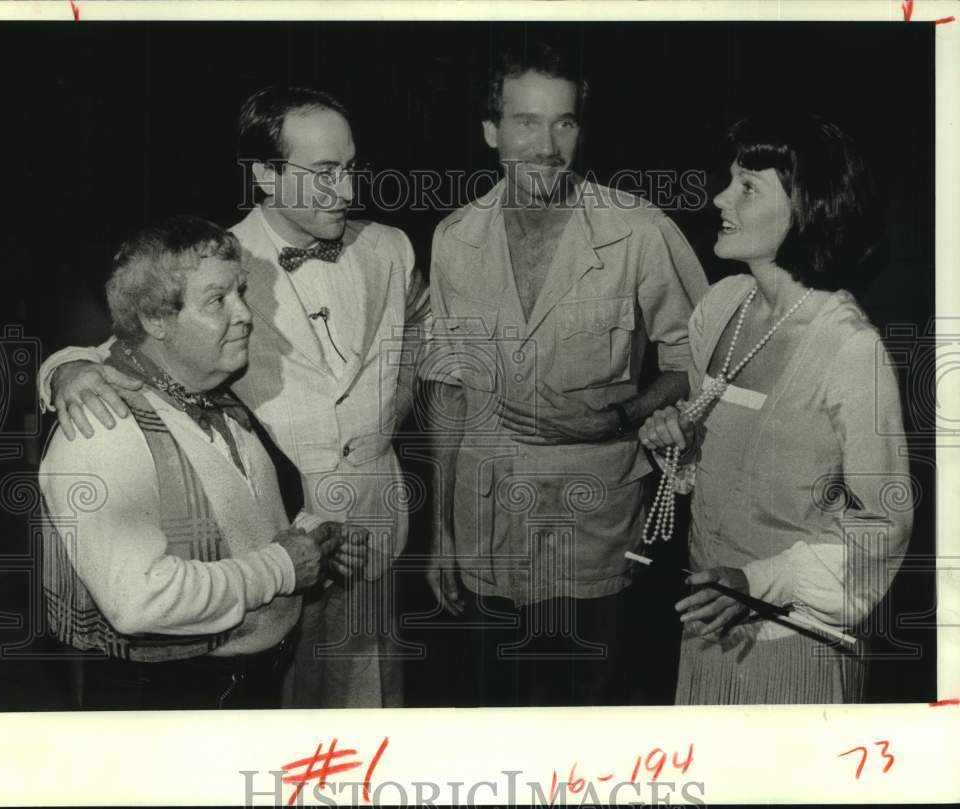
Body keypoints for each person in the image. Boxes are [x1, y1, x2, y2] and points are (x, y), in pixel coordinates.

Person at [37, 87, 428, 708]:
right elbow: (132, 342)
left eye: (351, 168)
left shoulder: (392, 249)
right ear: (266, 176)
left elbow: (419, 342)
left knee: (366, 713)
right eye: (325, 173)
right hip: (263, 546)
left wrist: (394, 403)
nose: (349, 192)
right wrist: (64, 373)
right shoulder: (212, 264)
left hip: (374, 525)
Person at [419, 39, 708, 706]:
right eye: (526, 122)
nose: (548, 145)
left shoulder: (638, 230)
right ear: (492, 131)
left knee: (592, 710)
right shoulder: (454, 238)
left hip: (595, 530)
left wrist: (619, 415)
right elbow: (446, 382)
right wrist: (438, 535)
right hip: (485, 526)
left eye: (565, 122)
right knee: (497, 706)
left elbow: (700, 361)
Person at [39, 216, 367, 710]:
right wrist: (281, 567)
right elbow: (138, 601)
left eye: (241, 292)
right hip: (168, 704)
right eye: (217, 300)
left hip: (248, 686)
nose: (245, 314)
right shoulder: (101, 427)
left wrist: (316, 542)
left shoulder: (210, 392)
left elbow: (239, 523)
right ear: (155, 319)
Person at [638, 114, 913, 704]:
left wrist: (758, 581)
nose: (719, 198)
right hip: (707, 630)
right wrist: (680, 448)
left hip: (799, 644)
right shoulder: (720, 306)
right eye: (728, 180)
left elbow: (881, 526)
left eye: (747, 186)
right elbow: (730, 468)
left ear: (806, 207)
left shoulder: (849, 348)